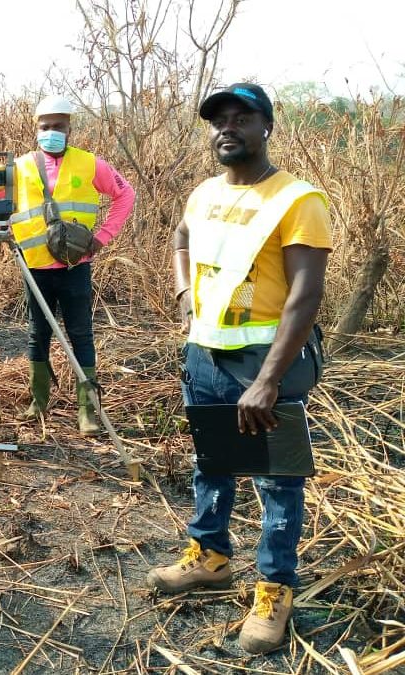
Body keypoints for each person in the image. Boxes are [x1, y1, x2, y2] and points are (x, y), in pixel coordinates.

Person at [145, 83, 330, 655]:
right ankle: (211, 556)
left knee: (278, 481)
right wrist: (182, 294)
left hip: (264, 363)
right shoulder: (202, 194)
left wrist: (269, 380)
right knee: (213, 463)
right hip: (204, 356)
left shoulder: (298, 199)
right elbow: (181, 238)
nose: (227, 127)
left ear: (267, 126)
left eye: (241, 118)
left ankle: (274, 589)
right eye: (218, 120)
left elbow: (306, 294)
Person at [11, 96, 136, 434]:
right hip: (34, 266)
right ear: (36, 129)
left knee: (81, 334)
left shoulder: (89, 163)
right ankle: (38, 402)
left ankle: (88, 412)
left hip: (74, 267)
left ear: (70, 128)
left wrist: (103, 236)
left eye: (59, 126)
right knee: (38, 335)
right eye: (45, 126)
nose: (52, 132)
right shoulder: (19, 166)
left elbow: (126, 194)